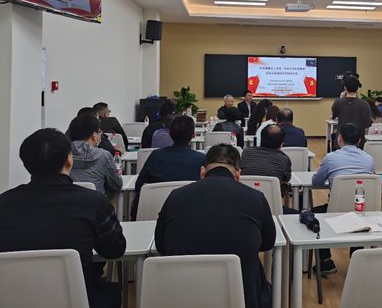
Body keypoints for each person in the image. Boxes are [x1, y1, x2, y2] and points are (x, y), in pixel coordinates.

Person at [0, 129, 126, 308]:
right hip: (79, 299)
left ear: (26, 164)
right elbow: (114, 249)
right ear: (69, 160)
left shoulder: (3, 203)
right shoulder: (93, 202)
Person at [155, 144, 276, 308]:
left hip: (181, 296)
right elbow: (268, 243)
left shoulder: (175, 196)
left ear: (202, 172)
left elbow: (160, 245)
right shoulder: (256, 198)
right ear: (238, 175)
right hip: (242, 296)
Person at [311, 123, 375, 274]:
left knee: (314, 215)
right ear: (359, 140)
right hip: (363, 210)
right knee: (357, 215)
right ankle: (357, 259)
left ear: (339, 139)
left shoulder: (331, 158)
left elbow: (316, 182)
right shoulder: (369, 159)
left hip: (335, 211)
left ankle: (325, 261)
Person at [131, 116, 207, 219]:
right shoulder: (202, 159)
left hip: (155, 213)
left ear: (170, 134)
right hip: (192, 215)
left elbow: (139, 186)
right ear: (193, 135)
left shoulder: (156, 156)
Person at [68, 114, 123, 195]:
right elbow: (116, 185)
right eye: (99, 132)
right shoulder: (104, 155)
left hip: (66, 201)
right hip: (96, 201)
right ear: (94, 136)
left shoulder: (62, 155)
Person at [331, 76, 372, 148]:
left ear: (345, 88)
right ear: (357, 88)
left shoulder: (338, 102)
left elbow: (333, 117)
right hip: (358, 141)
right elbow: (368, 123)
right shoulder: (364, 104)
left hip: (342, 140)